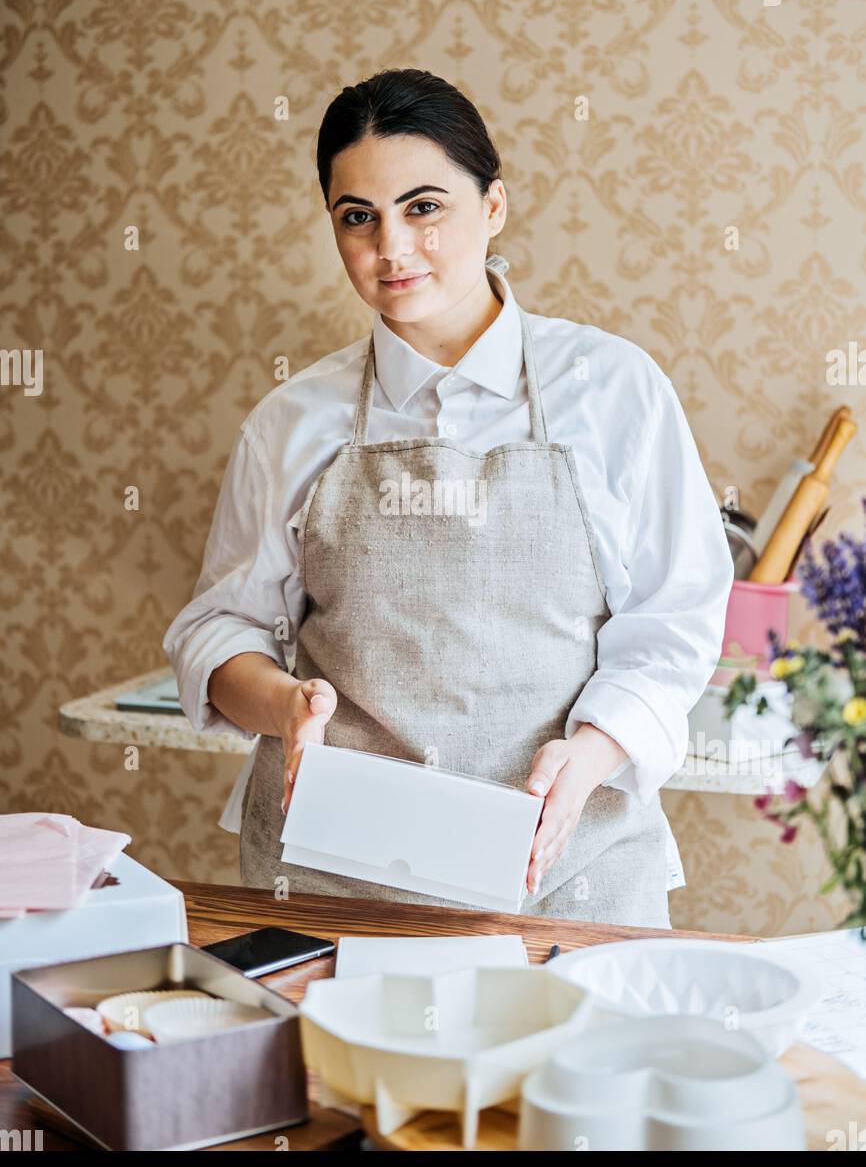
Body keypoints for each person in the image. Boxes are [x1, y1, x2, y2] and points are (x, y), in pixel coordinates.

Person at [163, 68, 734, 928]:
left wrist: (588, 757)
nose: (392, 247)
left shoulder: (615, 390)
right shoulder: (291, 421)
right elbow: (219, 629)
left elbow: (676, 621)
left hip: (572, 872)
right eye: (359, 218)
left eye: (424, 207)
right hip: (334, 883)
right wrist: (284, 705)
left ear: (493, 206)